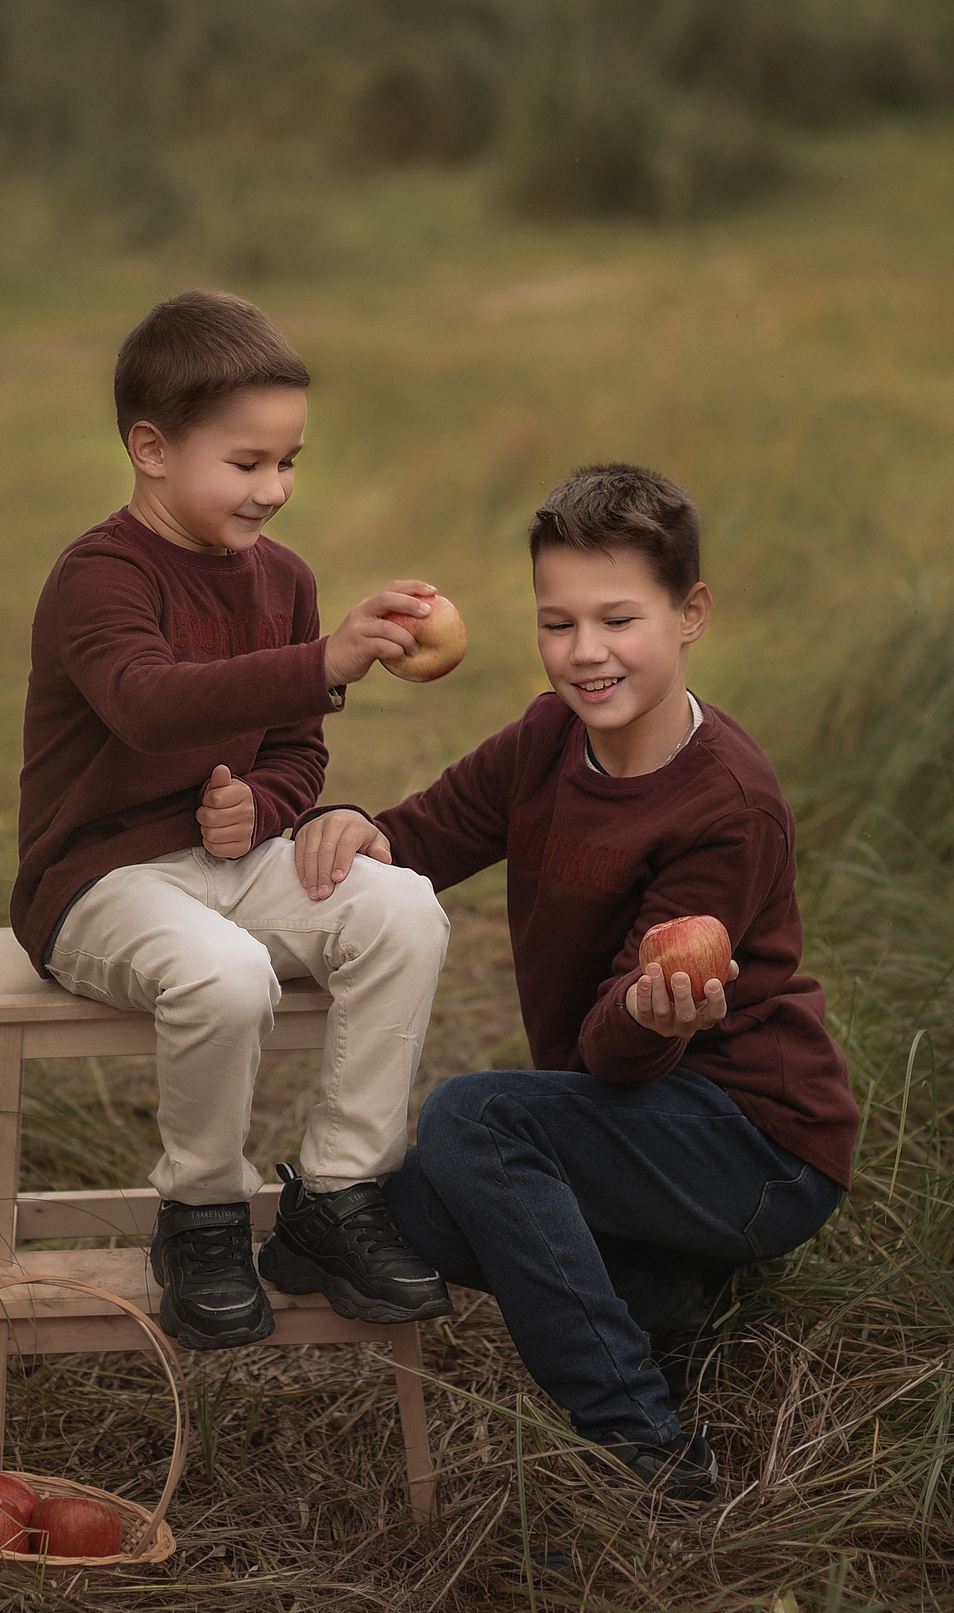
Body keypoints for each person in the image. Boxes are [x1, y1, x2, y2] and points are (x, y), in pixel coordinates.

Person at [290, 462, 859, 1506]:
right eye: (558, 623)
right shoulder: (549, 737)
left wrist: (646, 1013)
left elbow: (614, 1052)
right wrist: (355, 824)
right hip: (645, 1117)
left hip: (756, 1138)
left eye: (617, 618)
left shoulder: (726, 803)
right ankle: (668, 1292)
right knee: (414, 1207)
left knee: (477, 1119)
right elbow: (425, 834)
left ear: (690, 614)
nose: (585, 652)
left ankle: (641, 1433)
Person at [13, 289, 456, 1350]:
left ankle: (337, 1197)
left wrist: (259, 803)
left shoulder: (284, 579)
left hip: (229, 867)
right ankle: (202, 1214)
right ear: (151, 447)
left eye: (289, 461)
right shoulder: (101, 575)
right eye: (247, 462)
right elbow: (146, 699)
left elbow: (299, 746)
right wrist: (326, 659)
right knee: (226, 971)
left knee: (404, 911)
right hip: (99, 880)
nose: (273, 488)